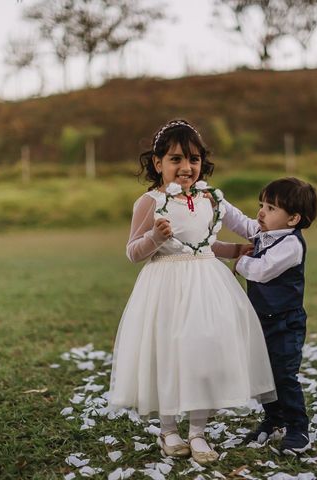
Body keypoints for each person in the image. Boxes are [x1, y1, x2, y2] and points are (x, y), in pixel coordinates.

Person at [108, 119, 276, 464]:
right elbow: (132, 252)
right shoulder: (150, 202)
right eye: (176, 159)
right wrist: (154, 237)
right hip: (165, 287)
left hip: (206, 286)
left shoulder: (209, 198)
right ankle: (168, 430)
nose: (186, 168)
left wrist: (238, 250)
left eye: (194, 160)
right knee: (169, 354)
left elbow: (207, 244)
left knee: (203, 352)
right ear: (158, 163)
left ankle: (198, 432)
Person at [221, 177, 317, 453]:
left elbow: (262, 270)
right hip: (261, 320)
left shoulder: (291, 245)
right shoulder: (264, 232)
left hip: (286, 323)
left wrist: (240, 261)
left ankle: (299, 428)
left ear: (293, 218)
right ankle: (274, 419)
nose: (261, 212)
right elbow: (238, 221)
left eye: (272, 208)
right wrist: (217, 200)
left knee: (284, 375)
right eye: (261, 205)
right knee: (263, 374)